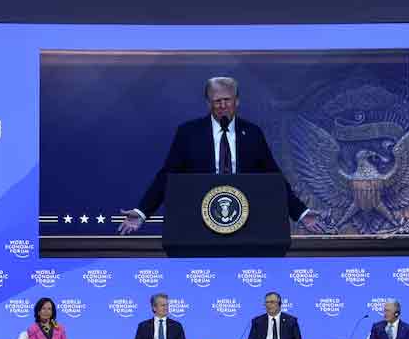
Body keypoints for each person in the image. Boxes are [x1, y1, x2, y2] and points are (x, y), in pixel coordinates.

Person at [119, 76, 321, 234]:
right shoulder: (188, 133)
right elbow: (166, 176)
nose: (222, 106)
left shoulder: (252, 133)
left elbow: (275, 179)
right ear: (208, 103)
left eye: (227, 100)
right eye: (217, 101)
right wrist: (142, 212)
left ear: (237, 101)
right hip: (198, 221)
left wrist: (301, 212)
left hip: (245, 221)